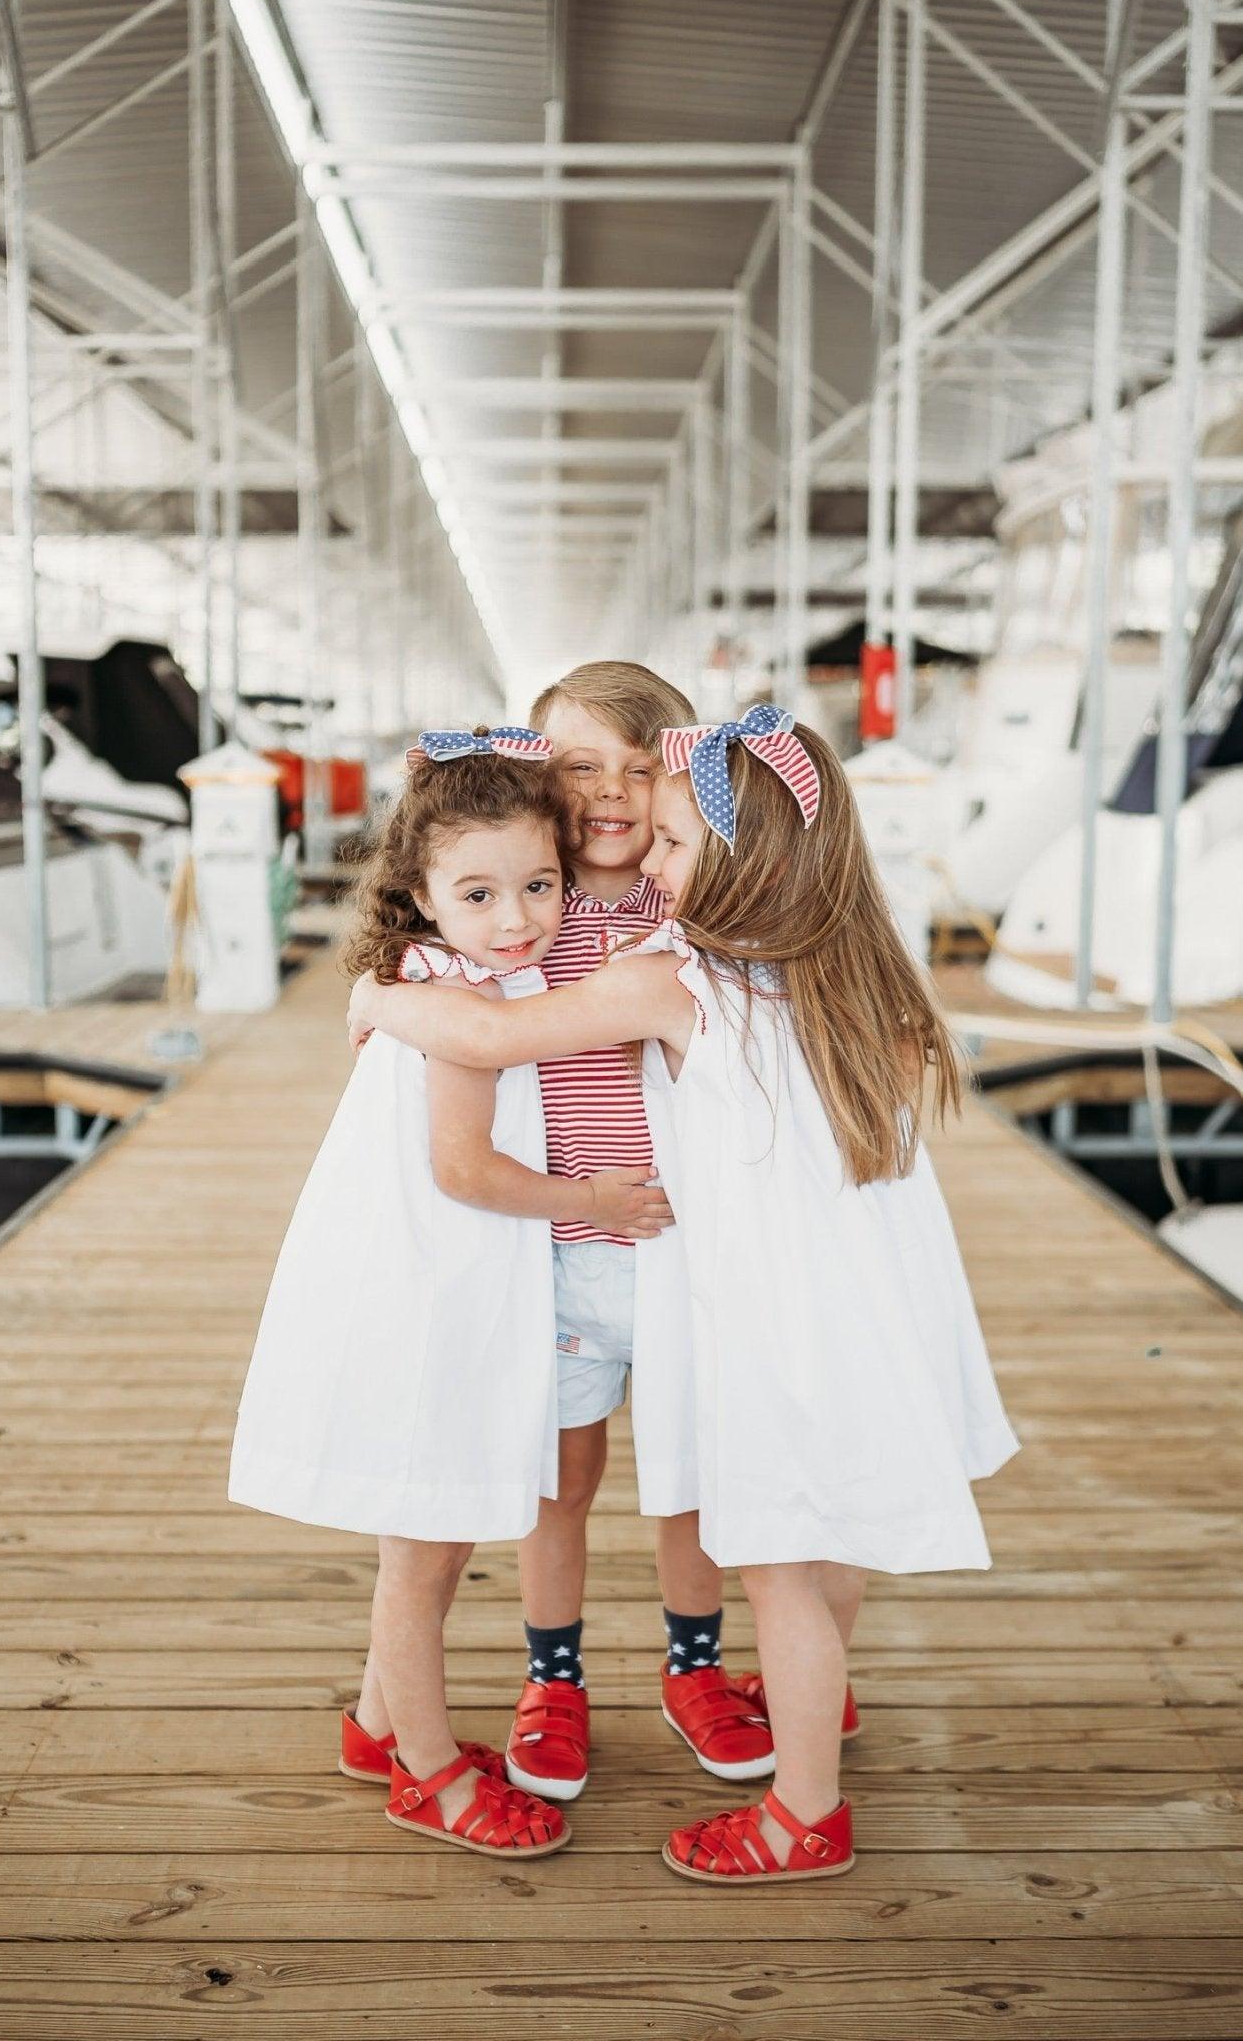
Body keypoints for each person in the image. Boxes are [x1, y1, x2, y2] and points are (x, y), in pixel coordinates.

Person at [347, 704, 1020, 1885]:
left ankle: (801, 1811)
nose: (651, 869)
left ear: (740, 860)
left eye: (671, 844)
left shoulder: (676, 981)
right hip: (870, 1301)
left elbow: (495, 1040)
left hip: (769, 1308)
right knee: (826, 1543)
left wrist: (375, 1000)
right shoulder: (853, 968)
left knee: (779, 1563)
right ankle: (799, 1694)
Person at [229, 727, 671, 1860]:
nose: (517, 915)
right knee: (422, 1554)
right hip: (428, 1289)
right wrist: (596, 1199)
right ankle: (428, 1775)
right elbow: (464, 1169)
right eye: (478, 891)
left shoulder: (445, 977)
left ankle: (377, 1727)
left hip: (430, 1275)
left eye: (537, 884)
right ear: (418, 893)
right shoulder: (458, 998)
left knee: (431, 1536)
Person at [504, 662, 777, 1806]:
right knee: (559, 1480)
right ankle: (553, 1677)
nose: (610, 793)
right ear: (538, 775)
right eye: (579, 766)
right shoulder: (518, 899)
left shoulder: (689, 900)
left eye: (635, 765)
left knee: (690, 1481)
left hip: (678, 1250)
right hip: (561, 1250)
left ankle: (695, 1665)